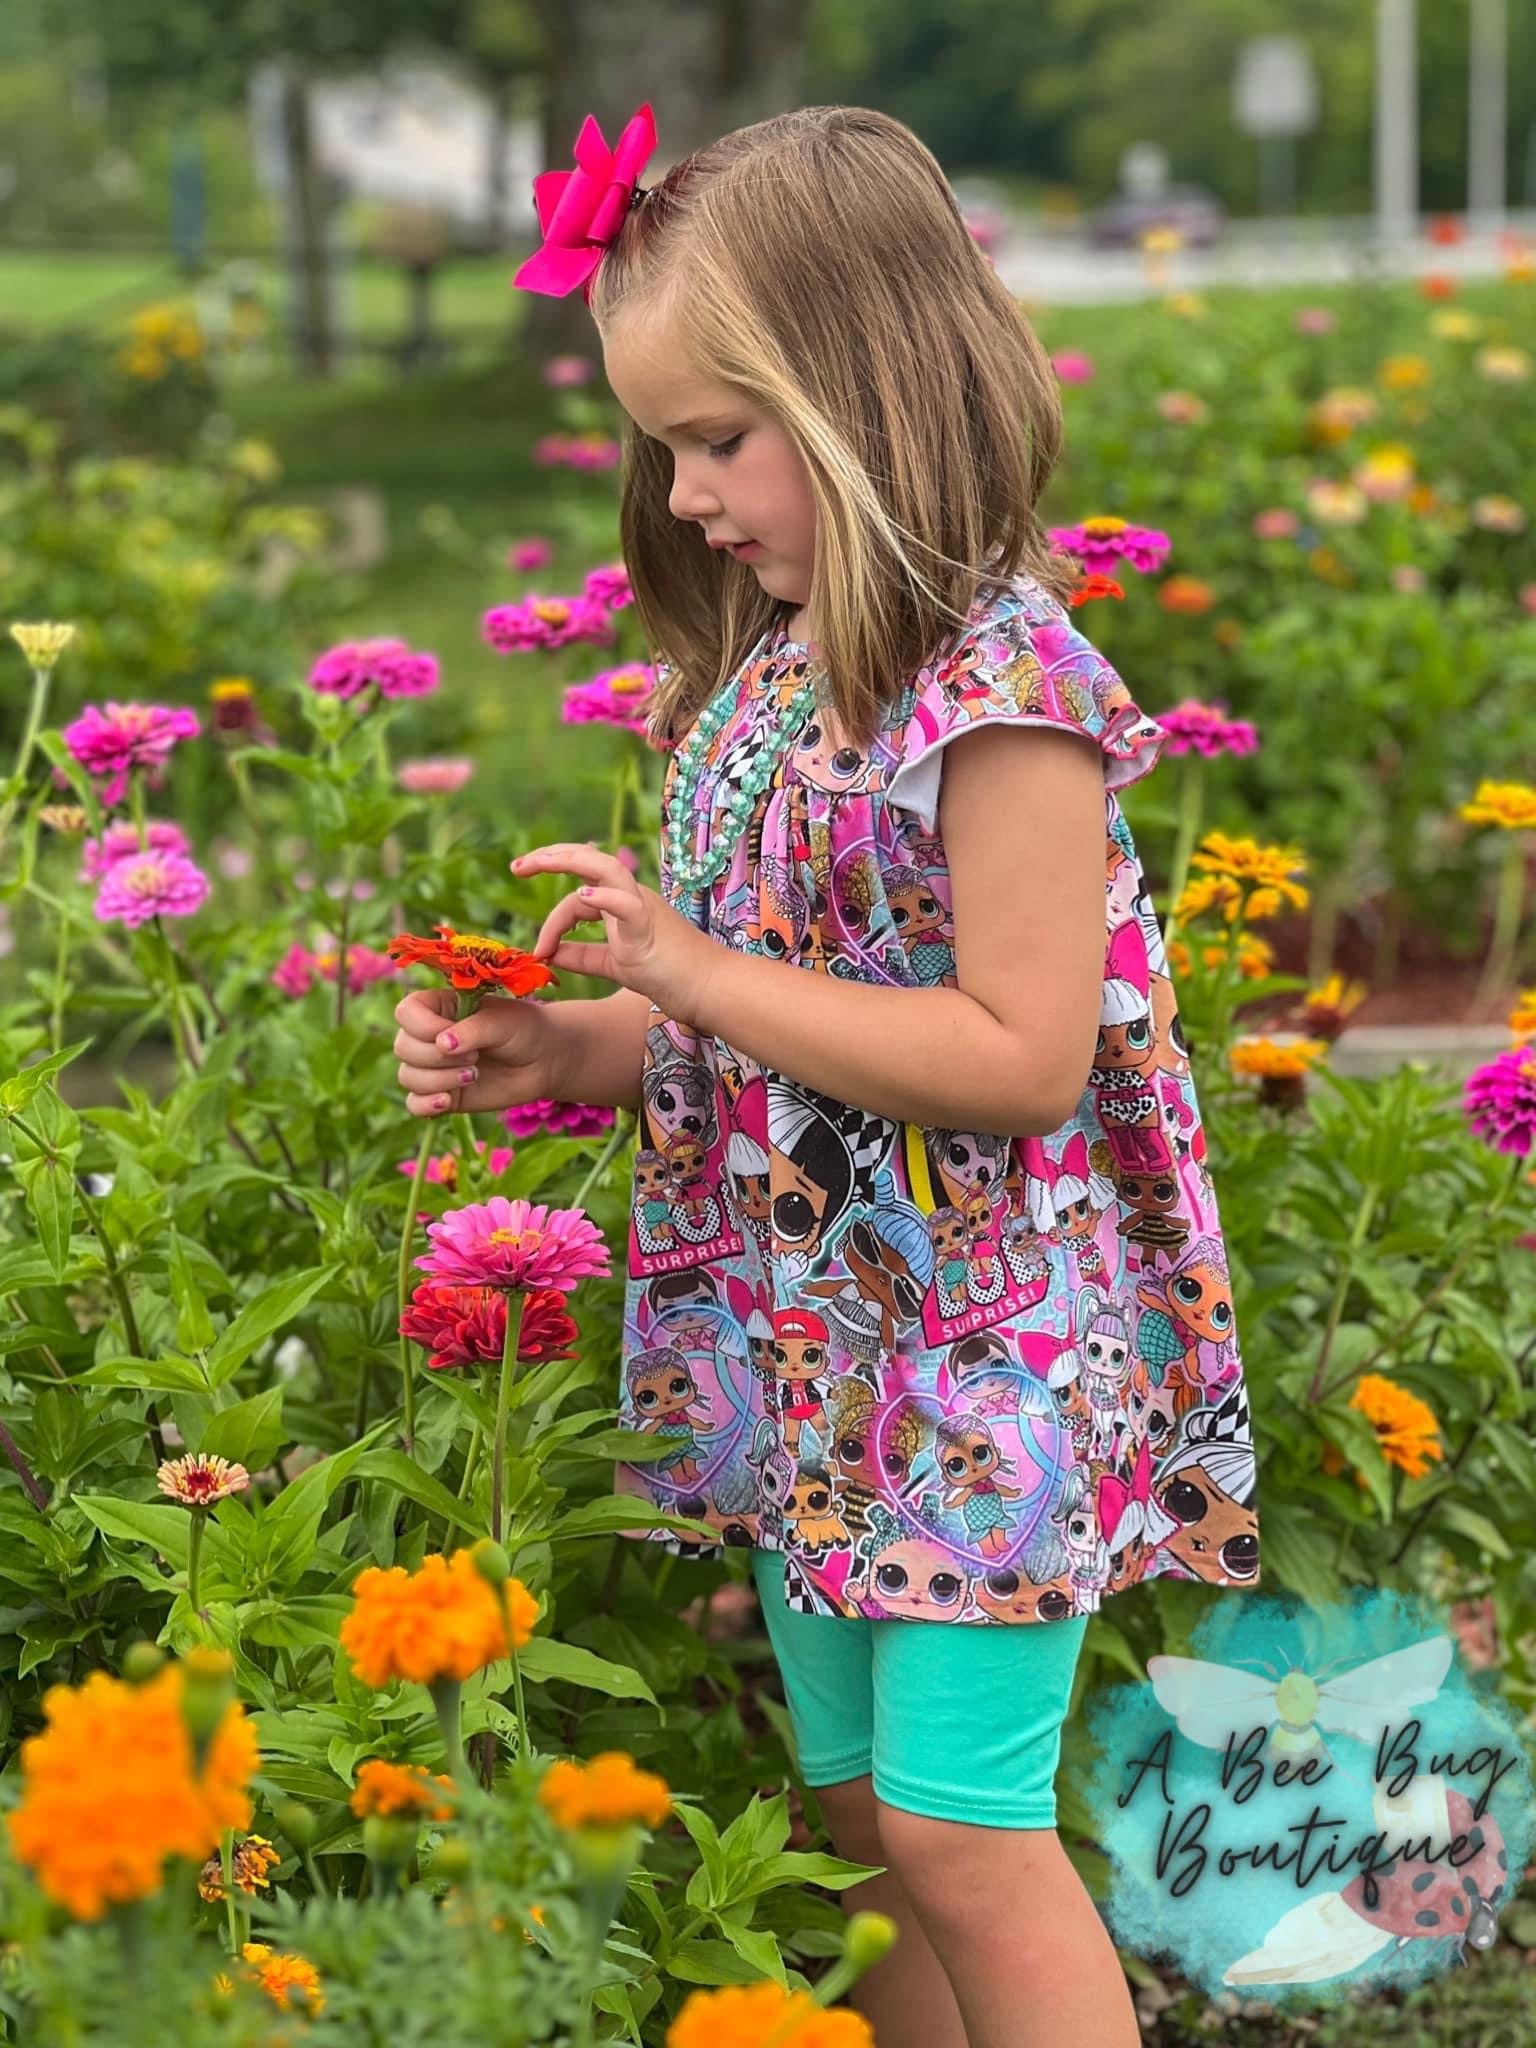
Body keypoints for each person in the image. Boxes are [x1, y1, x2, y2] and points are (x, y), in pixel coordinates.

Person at [393, 101, 1264, 2048]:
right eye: (663, 447)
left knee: (965, 1835)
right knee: (857, 1822)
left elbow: (1018, 1054)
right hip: (814, 1370)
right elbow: (736, 1036)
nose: (689, 496)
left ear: (874, 396)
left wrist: (694, 964)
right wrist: (568, 1042)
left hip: (982, 1359)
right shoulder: (764, 687)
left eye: (721, 438)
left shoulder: (1003, 696)